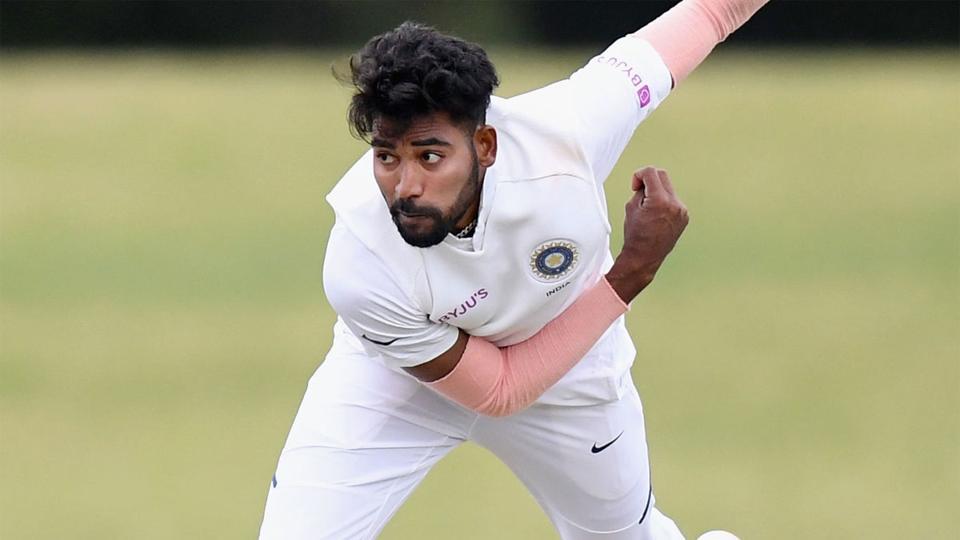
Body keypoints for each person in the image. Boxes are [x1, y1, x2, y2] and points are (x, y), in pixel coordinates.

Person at [259, 0, 768, 538]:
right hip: (401, 379)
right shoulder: (360, 262)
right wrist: (630, 273)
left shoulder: (569, 130)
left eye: (429, 156)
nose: (405, 187)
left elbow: (711, 13)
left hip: (569, 372)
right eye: (386, 157)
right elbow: (500, 391)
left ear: (485, 145)